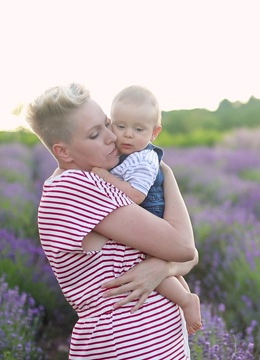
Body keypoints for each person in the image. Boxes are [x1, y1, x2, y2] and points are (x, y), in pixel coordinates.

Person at [26, 83, 197, 359]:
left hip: (150, 343)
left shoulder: (97, 180)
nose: (111, 137)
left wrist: (160, 268)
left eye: (107, 124)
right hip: (126, 346)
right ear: (64, 152)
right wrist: (164, 171)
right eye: (95, 134)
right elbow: (184, 248)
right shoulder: (75, 187)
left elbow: (189, 257)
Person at [92, 85, 202, 335]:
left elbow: (136, 195)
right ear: (110, 124)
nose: (128, 135)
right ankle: (185, 296)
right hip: (144, 212)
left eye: (138, 129)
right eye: (120, 127)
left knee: (144, 260)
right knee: (161, 265)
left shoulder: (144, 159)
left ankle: (186, 301)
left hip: (150, 212)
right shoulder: (123, 152)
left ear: (154, 133)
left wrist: (103, 177)